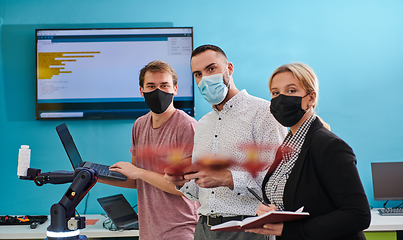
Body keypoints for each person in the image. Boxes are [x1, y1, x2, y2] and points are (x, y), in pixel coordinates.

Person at [165, 45, 287, 240]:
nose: (204, 78)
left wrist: (228, 178)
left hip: (248, 228)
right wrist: (182, 182)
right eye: (198, 74)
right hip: (204, 229)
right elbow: (203, 192)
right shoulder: (204, 124)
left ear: (229, 69)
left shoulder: (264, 113)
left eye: (211, 69)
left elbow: (278, 184)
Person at [246, 63, 371, 239]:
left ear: (311, 98)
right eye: (275, 93)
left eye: (291, 91)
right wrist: (268, 210)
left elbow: (358, 215)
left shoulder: (329, 146)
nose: (281, 99)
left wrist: (290, 230)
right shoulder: (287, 148)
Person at [99, 60, 199, 239]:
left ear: (175, 89)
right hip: (149, 231)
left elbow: (182, 187)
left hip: (182, 230)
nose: (158, 91)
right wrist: (94, 176)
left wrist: (138, 172)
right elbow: (138, 181)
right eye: (151, 86)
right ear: (142, 91)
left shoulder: (187, 126)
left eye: (164, 85)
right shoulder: (139, 125)